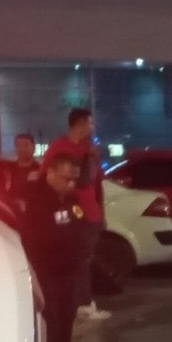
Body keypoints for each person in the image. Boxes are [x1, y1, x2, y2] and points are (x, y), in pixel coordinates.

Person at [16, 152, 93, 342]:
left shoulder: (71, 199)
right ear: (50, 173)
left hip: (69, 279)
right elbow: (36, 241)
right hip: (47, 279)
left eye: (74, 178)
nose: (71, 184)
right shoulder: (36, 201)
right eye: (65, 178)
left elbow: (81, 227)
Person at [46, 108, 110, 322]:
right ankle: (80, 303)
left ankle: (83, 302)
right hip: (69, 214)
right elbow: (47, 180)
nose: (92, 128)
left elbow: (97, 183)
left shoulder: (90, 150)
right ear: (80, 124)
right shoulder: (59, 147)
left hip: (90, 214)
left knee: (85, 260)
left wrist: (101, 212)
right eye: (90, 124)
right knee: (75, 261)